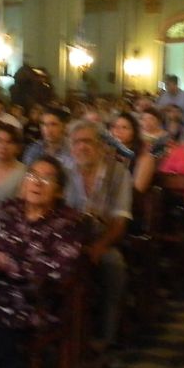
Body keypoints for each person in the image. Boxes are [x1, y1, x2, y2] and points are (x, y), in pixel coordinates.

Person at [0, 156, 84, 368]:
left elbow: (58, 267)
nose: (37, 182)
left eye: (46, 178)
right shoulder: (7, 210)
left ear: (59, 189)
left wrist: (12, 266)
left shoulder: (66, 222)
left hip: (33, 297)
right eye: (32, 176)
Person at [64, 120, 131, 346]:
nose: (82, 147)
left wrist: (99, 246)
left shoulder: (118, 173)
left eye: (88, 142)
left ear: (102, 146)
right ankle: (65, 331)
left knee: (113, 264)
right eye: (77, 142)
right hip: (67, 238)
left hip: (102, 238)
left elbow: (120, 221)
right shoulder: (64, 171)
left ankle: (105, 334)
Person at [110, 113, 156, 193]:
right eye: (115, 127)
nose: (118, 131)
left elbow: (138, 189)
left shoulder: (145, 158)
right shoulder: (109, 152)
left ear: (134, 132)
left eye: (124, 127)